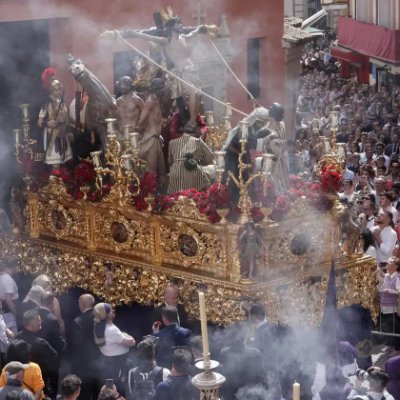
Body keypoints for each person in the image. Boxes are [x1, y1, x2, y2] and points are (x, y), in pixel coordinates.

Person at [103, 11, 208, 131]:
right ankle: (192, 121)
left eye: (181, 23)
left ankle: (193, 120)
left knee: (198, 95)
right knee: (193, 94)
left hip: (192, 70)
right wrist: (135, 33)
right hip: (182, 71)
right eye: (178, 24)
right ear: (172, 26)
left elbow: (192, 34)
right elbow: (148, 36)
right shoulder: (165, 41)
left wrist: (199, 30)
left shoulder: (183, 37)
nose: (181, 26)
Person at [15, 310, 58, 398]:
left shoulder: (17, 338)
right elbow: (54, 358)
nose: (41, 321)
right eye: (38, 320)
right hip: (40, 382)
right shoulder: (41, 343)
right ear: (32, 323)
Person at [93, 303, 135, 392]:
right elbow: (130, 342)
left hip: (108, 364)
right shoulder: (111, 330)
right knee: (117, 391)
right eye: (111, 310)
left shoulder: (100, 326)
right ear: (106, 314)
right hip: (117, 366)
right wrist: (127, 335)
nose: (113, 311)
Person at [219, 323, 266, 400]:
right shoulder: (255, 353)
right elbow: (262, 377)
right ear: (244, 337)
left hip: (244, 394)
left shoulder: (224, 352)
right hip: (247, 395)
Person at [38, 68, 73, 168]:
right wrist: (47, 123)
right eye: (56, 90)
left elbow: (66, 121)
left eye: (59, 89)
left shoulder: (62, 104)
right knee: (55, 163)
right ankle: (55, 182)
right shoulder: (46, 104)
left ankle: (60, 182)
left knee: (63, 161)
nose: (58, 92)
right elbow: (39, 122)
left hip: (62, 134)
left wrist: (69, 131)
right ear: (51, 91)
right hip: (52, 135)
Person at [137, 78, 167, 190]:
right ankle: (151, 197)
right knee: (153, 171)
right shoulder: (150, 102)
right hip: (150, 140)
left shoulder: (156, 101)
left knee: (162, 170)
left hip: (156, 139)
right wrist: (144, 131)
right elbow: (140, 121)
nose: (164, 90)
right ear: (157, 88)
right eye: (162, 87)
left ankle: (161, 195)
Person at [167, 127, 215, 194]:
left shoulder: (172, 142)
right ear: (195, 133)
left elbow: (170, 161)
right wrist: (200, 160)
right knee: (197, 192)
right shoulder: (198, 141)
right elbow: (210, 157)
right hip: (192, 170)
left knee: (176, 197)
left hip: (176, 172)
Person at [70, 294, 100, 400]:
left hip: (84, 365)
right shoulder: (101, 318)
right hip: (99, 362)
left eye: (79, 303)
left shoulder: (78, 321)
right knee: (98, 392)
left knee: (84, 394)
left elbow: (78, 345)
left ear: (82, 305)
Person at [38, 292, 66, 356]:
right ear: (51, 302)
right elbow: (57, 339)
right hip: (49, 352)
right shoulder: (52, 319)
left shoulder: (34, 313)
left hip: (36, 350)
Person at [0, 258, 19, 334]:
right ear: (14, 267)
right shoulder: (7, 279)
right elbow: (8, 300)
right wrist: (15, 313)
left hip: (4, 312)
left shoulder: (1, 277)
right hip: (9, 313)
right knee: (13, 337)